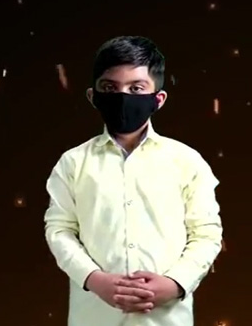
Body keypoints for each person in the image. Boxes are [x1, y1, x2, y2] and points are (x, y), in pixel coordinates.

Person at [44, 36, 222, 326]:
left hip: (167, 319)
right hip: (94, 317)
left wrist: (175, 283)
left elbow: (206, 234)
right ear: (93, 96)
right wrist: (95, 279)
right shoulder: (72, 163)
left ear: (158, 99)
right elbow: (59, 230)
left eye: (136, 88)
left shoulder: (187, 161)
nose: (122, 96)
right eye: (109, 88)